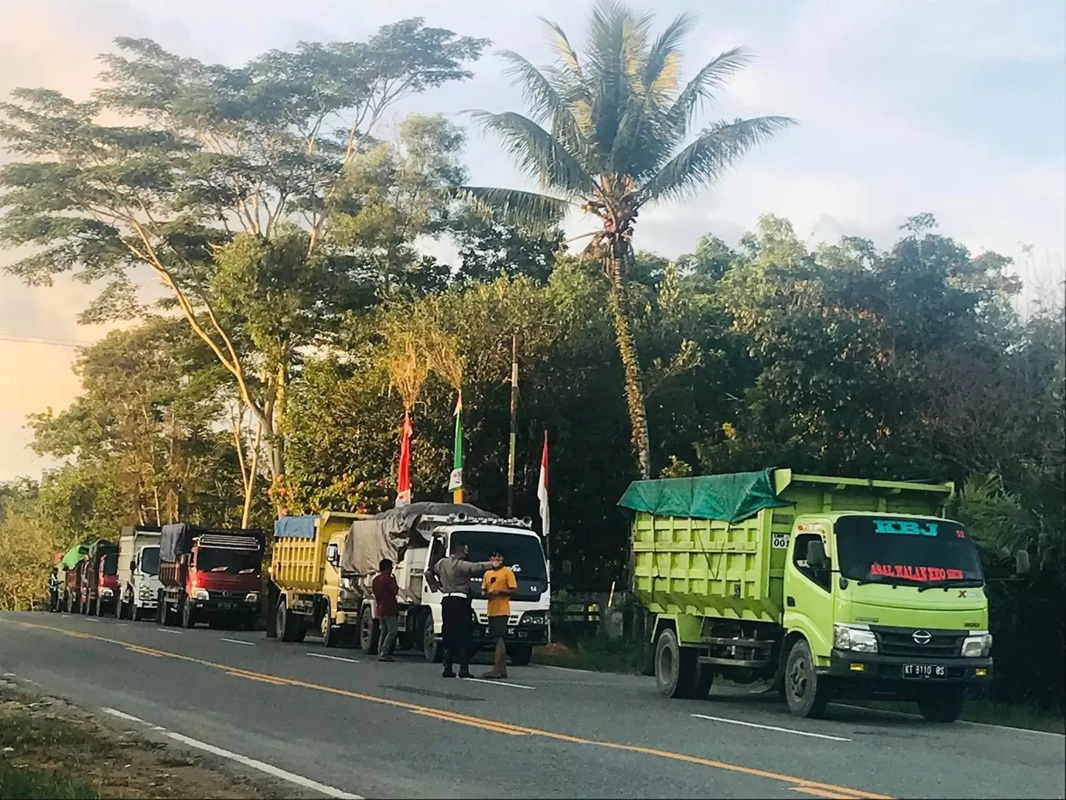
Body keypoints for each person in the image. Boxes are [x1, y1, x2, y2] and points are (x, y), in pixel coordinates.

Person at [425, 541, 492, 678]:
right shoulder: (459, 565)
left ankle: (447, 667)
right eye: (466, 551)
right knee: (464, 634)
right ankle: (463, 668)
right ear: (460, 551)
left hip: (447, 599)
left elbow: (428, 573)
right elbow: (476, 567)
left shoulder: (442, 563)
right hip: (460, 600)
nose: (467, 554)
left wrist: (436, 586)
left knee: (448, 633)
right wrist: (492, 564)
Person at [481, 550, 517, 679]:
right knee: (495, 639)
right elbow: (483, 590)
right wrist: (486, 594)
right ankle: (502, 669)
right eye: (494, 557)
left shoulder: (507, 572)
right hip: (491, 609)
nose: (496, 559)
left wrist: (500, 592)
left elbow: (513, 590)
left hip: (502, 610)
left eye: (499, 557)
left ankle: (497, 668)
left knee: (499, 637)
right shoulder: (487, 573)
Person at [372, 558, 400, 662]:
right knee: (392, 631)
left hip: (380, 607)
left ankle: (380, 651)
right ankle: (384, 652)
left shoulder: (375, 580)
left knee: (383, 631)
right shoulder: (389, 579)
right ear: (387, 568)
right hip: (389, 607)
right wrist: (395, 581)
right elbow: (395, 591)